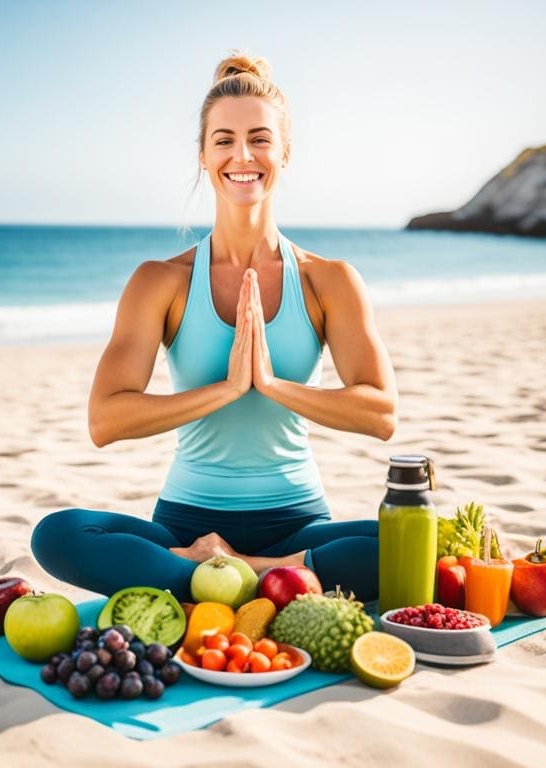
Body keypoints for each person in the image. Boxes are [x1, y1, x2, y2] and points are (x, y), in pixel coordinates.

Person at [31, 51, 397, 602]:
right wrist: (224, 390)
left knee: (427, 542)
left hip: (298, 525)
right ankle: (258, 579)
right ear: (203, 155)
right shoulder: (162, 281)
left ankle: (236, 572)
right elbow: (105, 420)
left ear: (285, 152)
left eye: (260, 138)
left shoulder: (329, 280)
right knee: (56, 534)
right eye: (223, 140)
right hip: (184, 526)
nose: (242, 155)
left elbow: (382, 413)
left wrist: (272, 386)